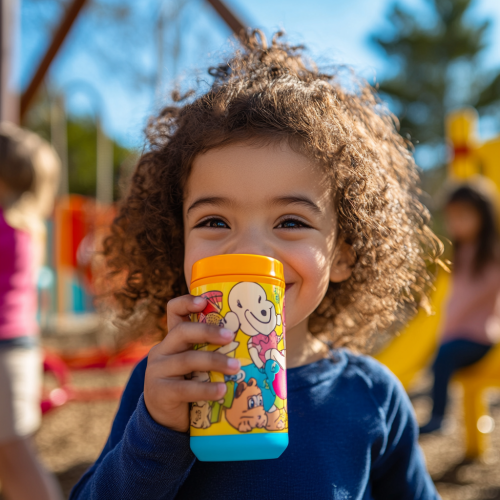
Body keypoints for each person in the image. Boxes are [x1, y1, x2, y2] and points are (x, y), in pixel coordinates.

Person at [70, 32, 441, 499]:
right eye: (214, 220)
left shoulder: (371, 396)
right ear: (176, 239)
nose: (249, 252)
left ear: (344, 252)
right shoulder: (163, 385)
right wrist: (157, 429)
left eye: (289, 221)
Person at [0, 123, 62, 500]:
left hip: (6, 350)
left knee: (15, 454)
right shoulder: (26, 224)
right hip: (17, 347)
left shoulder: (7, 225)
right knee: (12, 457)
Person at [420, 178, 500, 434]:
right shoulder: (462, 253)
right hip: (457, 336)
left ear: (482, 217)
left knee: (445, 356)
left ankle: (439, 417)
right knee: (439, 358)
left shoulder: (491, 254)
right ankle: (437, 412)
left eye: (464, 217)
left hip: (480, 338)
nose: (456, 224)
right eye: (453, 218)